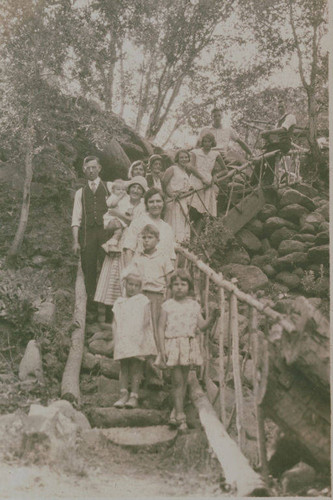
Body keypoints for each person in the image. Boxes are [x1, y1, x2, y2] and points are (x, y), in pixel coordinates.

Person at [156, 270, 219, 431]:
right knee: (177, 382)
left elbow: (202, 326)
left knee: (183, 381)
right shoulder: (167, 305)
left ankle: (174, 412)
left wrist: (213, 317)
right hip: (173, 345)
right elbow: (161, 328)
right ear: (171, 287)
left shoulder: (193, 305)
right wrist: (162, 349)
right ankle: (180, 416)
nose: (179, 288)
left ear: (189, 287)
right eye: (176, 284)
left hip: (188, 346)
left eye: (183, 284)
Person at [94, 176, 148, 323]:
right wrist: (118, 219)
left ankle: (125, 316)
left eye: (139, 188)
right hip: (117, 240)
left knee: (128, 274)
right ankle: (106, 317)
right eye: (134, 187)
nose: (136, 190)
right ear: (129, 189)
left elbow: (136, 223)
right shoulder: (122, 200)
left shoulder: (143, 206)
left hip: (133, 244)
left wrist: (119, 215)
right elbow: (109, 216)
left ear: (142, 192)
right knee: (111, 275)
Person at [71, 156, 112, 321]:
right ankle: (93, 312)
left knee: (108, 270)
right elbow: (76, 219)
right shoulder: (80, 193)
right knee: (89, 272)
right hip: (87, 236)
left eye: (94, 167)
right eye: (87, 168)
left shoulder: (109, 187)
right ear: (83, 170)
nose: (91, 170)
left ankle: (109, 312)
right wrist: (75, 241)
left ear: (99, 168)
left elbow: (118, 209)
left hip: (106, 236)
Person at [112, 266, 157, 409]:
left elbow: (146, 321)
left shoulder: (143, 300)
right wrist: (116, 338)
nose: (132, 288)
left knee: (136, 366)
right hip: (124, 338)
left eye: (136, 285)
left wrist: (140, 338)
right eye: (130, 284)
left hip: (137, 338)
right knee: (124, 366)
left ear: (140, 287)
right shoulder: (119, 302)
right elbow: (115, 322)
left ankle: (134, 395)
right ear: (125, 284)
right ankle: (123, 394)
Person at [131, 224, 174, 348]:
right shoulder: (138, 257)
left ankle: (158, 354)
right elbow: (133, 278)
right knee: (141, 325)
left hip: (157, 297)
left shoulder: (163, 257)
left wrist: (168, 300)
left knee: (156, 326)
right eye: (144, 238)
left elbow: (170, 280)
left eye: (150, 237)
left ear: (157, 240)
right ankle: (142, 355)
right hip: (141, 295)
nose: (146, 240)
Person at [123, 188, 176, 266]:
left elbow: (171, 257)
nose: (155, 205)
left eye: (158, 201)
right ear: (146, 204)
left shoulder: (167, 228)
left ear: (163, 203)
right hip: (140, 272)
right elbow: (128, 250)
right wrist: (129, 274)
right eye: (151, 202)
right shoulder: (138, 223)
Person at [251, 100, 297, 186]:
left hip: (285, 144)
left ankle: (262, 181)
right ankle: (258, 182)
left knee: (264, 158)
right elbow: (275, 136)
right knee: (263, 159)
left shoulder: (290, 117)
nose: (280, 108)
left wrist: (268, 132)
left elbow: (284, 129)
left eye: (282, 106)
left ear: (286, 107)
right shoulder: (278, 122)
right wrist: (267, 137)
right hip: (277, 144)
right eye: (278, 107)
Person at [188, 133, 227, 232]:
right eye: (204, 141)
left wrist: (215, 176)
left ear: (212, 142)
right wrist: (202, 178)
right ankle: (187, 231)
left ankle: (199, 233)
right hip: (196, 180)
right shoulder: (195, 152)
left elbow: (225, 170)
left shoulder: (215, 154)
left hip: (209, 182)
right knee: (192, 206)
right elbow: (191, 167)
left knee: (205, 209)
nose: (206, 144)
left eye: (209, 141)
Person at [163, 149, 191, 243]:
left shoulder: (185, 172)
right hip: (173, 200)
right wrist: (171, 194)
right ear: (177, 159)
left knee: (182, 222)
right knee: (172, 223)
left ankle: (182, 243)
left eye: (186, 157)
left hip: (182, 200)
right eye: (181, 157)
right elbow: (164, 183)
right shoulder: (173, 169)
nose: (184, 159)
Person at [102, 179, 130, 253]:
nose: (121, 191)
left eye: (123, 189)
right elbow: (112, 204)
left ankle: (111, 244)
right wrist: (119, 197)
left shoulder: (126, 198)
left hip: (120, 218)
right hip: (112, 217)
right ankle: (110, 244)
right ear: (113, 191)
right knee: (118, 229)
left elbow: (127, 207)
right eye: (118, 189)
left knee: (119, 232)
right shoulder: (113, 197)